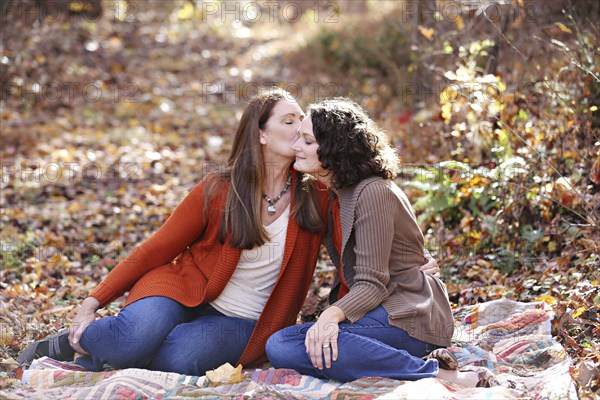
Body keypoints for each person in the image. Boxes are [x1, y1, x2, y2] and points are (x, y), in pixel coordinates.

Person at [18, 89, 439, 376]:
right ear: (261, 133)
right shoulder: (219, 188)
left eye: (304, 126)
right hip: (182, 289)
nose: (300, 132)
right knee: (134, 336)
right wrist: (92, 301)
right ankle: (80, 342)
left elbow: (360, 250)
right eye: (290, 121)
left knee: (183, 357)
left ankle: (105, 352)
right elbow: (154, 249)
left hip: (246, 317)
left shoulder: (319, 196)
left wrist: (414, 271)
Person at [266, 98, 499, 388]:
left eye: (307, 141)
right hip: (378, 311)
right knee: (285, 345)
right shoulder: (336, 194)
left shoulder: (373, 192)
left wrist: (329, 316)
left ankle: (442, 375)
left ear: (335, 149)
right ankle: (385, 358)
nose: (296, 146)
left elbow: (372, 283)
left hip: (410, 315)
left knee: (285, 343)